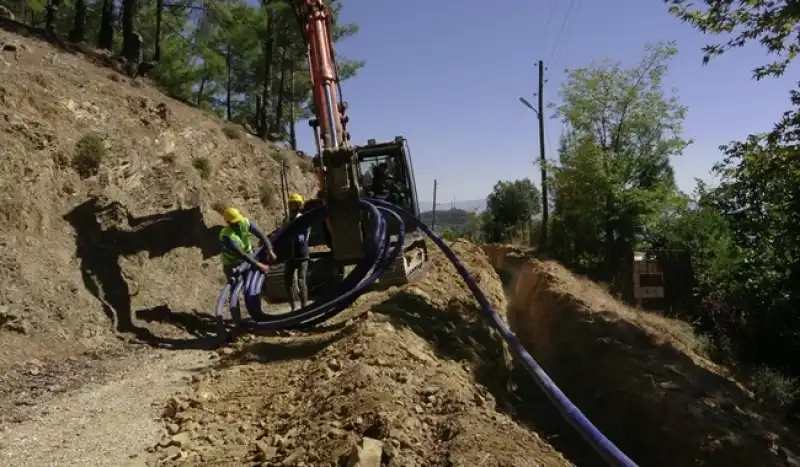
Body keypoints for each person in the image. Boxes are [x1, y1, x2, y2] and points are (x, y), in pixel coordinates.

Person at [219, 207, 276, 283]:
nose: (238, 223)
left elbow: (261, 235)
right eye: (235, 222)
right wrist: (259, 265)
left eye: (238, 220)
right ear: (229, 223)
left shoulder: (244, 222)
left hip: (249, 254)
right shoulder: (226, 236)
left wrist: (270, 250)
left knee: (254, 278)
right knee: (236, 283)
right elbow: (241, 254)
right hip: (232, 262)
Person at [283, 193, 310, 311]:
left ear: (299, 205)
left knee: (301, 281)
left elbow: (305, 235)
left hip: (301, 255)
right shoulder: (287, 220)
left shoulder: (303, 218)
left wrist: (296, 236)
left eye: (294, 204)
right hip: (290, 256)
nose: (292, 206)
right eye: (291, 204)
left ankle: (304, 307)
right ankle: (293, 307)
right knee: (287, 281)